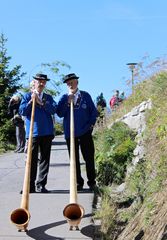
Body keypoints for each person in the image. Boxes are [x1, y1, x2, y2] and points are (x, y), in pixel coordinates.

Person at [57, 73, 98, 191]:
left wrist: (90, 126)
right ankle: (78, 183)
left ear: (77, 82)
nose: (70, 84)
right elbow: (59, 113)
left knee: (89, 158)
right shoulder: (64, 97)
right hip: (70, 134)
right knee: (74, 160)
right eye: (68, 83)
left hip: (85, 132)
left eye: (72, 82)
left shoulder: (85, 96)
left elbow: (93, 112)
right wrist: (67, 102)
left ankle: (92, 182)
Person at [19, 73, 57, 193]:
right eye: (39, 81)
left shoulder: (48, 97)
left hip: (46, 132)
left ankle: (41, 184)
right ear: (34, 82)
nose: (41, 83)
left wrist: (41, 103)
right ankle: (29, 185)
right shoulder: (27, 96)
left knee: (45, 160)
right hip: (33, 133)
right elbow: (22, 111)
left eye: (43, 81)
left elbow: (54, 110)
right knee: (31, 160)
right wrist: (31, 101)